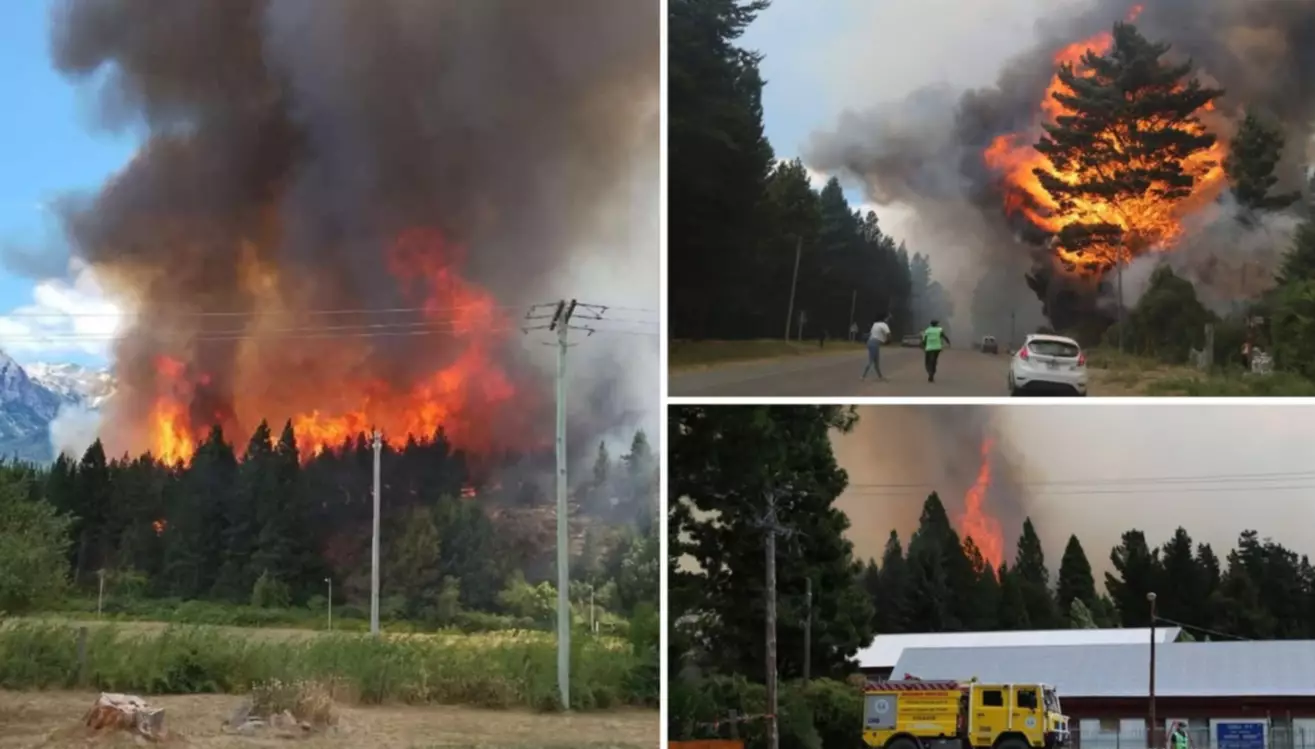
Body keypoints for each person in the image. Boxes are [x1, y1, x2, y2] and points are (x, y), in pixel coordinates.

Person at [862, 315, 891, 381]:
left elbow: (873, 334)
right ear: (885, 319)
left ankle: (880, 377)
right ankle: (863, 376)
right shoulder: (884, 325)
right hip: (874, 343)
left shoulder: (875, 324)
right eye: (887, 319)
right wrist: (888, 341)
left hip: (871, 342)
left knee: (876, 362)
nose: (888, 321)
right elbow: (889, 334)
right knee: (871, 361)